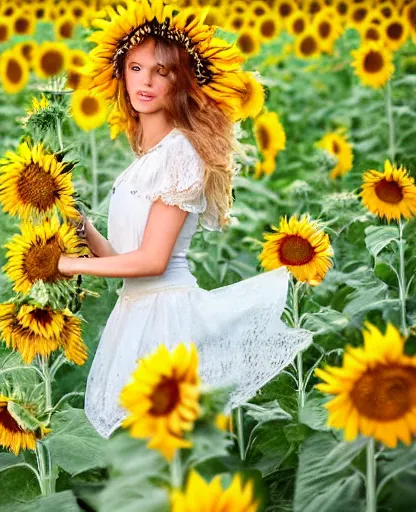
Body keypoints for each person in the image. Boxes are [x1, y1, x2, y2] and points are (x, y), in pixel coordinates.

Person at [57, 1, 313, 439]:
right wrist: (80, 226)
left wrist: (66, 265)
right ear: (121, 74)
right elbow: (127, 263)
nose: (146, 81)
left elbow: (153, 261)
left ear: (182, 80)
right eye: (136, 68)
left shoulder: (179, 154)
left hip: (167, 318)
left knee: (165, 454)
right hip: (137, 311)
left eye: (162, 71)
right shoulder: (147, 160)